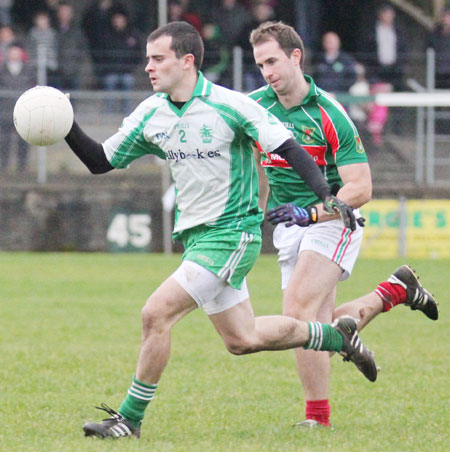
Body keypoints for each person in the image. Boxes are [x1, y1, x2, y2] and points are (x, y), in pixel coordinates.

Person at [63, 21, 377, 439]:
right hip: (196, 239)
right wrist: (64, 124)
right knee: (242, 339)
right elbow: (102, 161)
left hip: (233, 234)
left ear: (187, 61)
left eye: (158, 59)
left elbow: (287, 146)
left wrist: (326, 195)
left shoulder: (232, 106)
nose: (148, 68)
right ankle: (337, 338)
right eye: (147, 59)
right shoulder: (151, 112)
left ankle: (128, 420)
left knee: (156, 313)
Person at [249, 21, 438, 428]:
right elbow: (259, 167)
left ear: (295, 57)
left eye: (272, 61)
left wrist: (314, 213)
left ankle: (316, 419)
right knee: (321, 323)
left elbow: (361, 186)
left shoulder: (329, 113)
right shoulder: (255, 108)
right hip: (288, 226)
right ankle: (394, 291)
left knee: (297, 313)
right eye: (260, 64)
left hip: (334, 219)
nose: (266, 72)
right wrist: (254, 216)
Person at [0, 41, 35, 171]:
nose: (14, 54)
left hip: (24, 113)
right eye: (12, 51)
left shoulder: (29, 70)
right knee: (4, 141)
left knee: (23, 142)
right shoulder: (2, 70)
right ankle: (4, 167)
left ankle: (22, 167)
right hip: (5, 111)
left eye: (17, 51)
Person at [312, 31, 357, 95]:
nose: (330, 44)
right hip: (321, 96)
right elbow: (314, 78)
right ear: (323, 43)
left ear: (338, 43)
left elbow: (352, 77)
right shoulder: (318, 59)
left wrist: (340, 92)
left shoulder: (346, 59)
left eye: (332, 42)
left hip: (340, 97)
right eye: (328, 42)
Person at [427, 7, 450, 89]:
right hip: (439, 72)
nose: (446, 19)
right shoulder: (435, 33)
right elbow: (429, 48)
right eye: (444, 16)